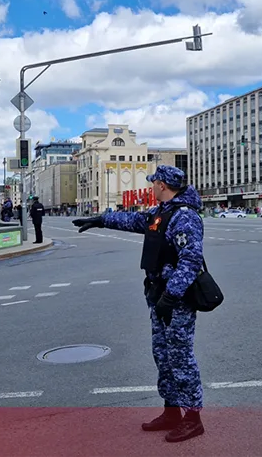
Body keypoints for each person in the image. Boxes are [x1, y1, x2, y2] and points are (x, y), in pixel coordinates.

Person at [72, 165, 206, 443]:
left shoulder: (185, 217)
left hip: (175, 301)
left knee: (181, 358)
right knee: (163, 356)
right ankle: (171, 411)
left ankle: (193, 418)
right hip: (159, 297)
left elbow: (191, 261)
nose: (152, 186)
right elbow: (133, 222)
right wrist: (100, 220)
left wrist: (171, 296)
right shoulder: (162, 213)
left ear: (163, 185)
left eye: (154, 182)